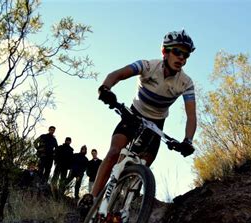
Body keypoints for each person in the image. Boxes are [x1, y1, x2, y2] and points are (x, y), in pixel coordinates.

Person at [78, 30, 197, 207]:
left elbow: (191, 116)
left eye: (186, 55)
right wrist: (105, 89)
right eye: (177, 52)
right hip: (134, 115)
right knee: (114, 152)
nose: (182, 58)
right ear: (165, 52)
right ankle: (92, 198)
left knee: (143, 167)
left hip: (156, 124)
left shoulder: (186, 83)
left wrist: (188, 140)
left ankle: (123, 208)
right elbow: (116, 75)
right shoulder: (147, 66)